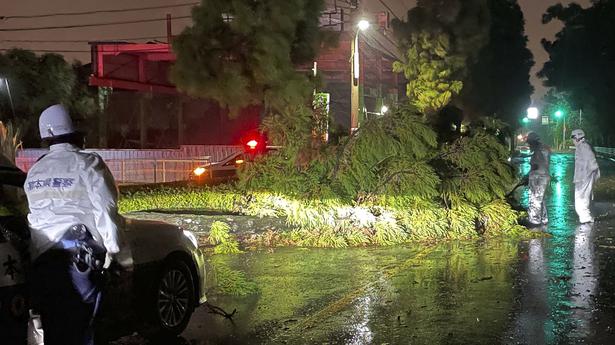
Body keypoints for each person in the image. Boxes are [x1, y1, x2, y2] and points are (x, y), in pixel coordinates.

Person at [24, 104, 121, 345]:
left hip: (44, 263)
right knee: (82, 331)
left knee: (55, 331)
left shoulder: (35, 171)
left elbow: (34, 217)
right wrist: (115, 253)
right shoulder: (88, 163)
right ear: (75, 131)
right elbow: (106, 210)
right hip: (80, 260)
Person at [571, 129, 600, 224]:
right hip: (582, 178)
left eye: (573, 138)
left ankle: (586, 219)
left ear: (576, 137)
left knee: (581, 200)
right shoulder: (582, 146)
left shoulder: (583, 147)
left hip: (584, 178)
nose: (572, 140)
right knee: (582, 199)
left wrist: (591, 175)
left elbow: (593, 163)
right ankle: (586, 218)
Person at [525, 132, 551, 228]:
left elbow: (538, 165)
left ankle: (534, 221)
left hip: (539, 177)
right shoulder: (540, 150)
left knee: (535, 198)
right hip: (540, 176)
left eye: (530, 143)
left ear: (533, 142)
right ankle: (543, 218)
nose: (529, 145)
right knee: (541, 199)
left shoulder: (541, 150)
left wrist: (531, 172)